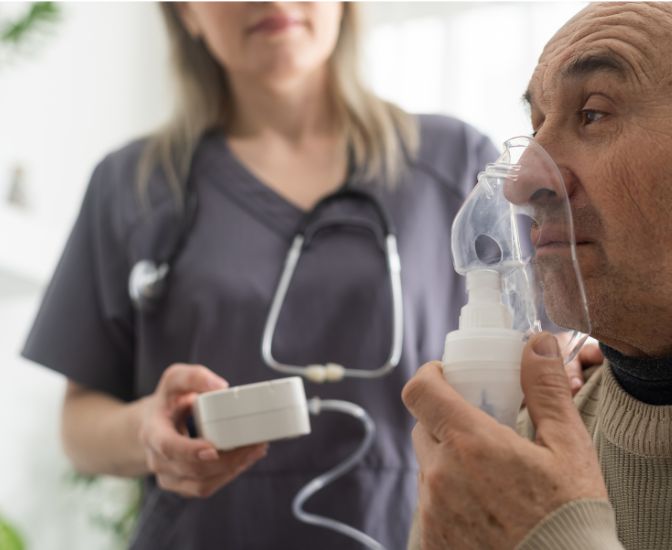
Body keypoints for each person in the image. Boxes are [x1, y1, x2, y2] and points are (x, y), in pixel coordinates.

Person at [21, 3, 501, 548]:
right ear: (185, 12)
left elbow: (541, 370)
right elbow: (79, 425)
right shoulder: (133, 184)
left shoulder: (457, 162)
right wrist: (148, 432)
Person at [402, 2, 672, 549]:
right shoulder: (517, 443)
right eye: (536, 124)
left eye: (593, 114)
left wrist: (552, 531)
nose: (522, 185)